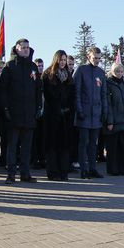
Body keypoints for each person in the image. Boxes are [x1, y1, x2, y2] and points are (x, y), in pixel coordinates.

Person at [0, 38, 42, 183]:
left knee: (26, 147)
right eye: (23, 47)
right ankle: (11, 174)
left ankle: (25, 174)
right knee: (12, 147)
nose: (26, 49)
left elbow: (37, 89)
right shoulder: (10, 66)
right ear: (17, 48)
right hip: (13, 114)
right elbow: (3, 90)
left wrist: (38, 106)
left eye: (28, 47)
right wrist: (5, 108)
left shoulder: (33, 67)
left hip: (29, 113)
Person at [73, 46, 107, 179]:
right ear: (89, 57)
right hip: (84, 113)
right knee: (84, 142)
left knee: (94, 143)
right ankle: (83, 169)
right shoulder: (81, 70)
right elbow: (76, 92)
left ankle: (93, 168)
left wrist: (105, 111)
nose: (97, 60)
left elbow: (103, 93)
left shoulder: (101, 72)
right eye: (95, 58)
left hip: (96, 114)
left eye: (99, 58)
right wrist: (79, 110)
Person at [42, 50, 75, 181]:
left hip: (65, 116)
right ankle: (53, 172)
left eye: (64, 60)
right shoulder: (48, 74)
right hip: (52, 116)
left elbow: (72, 95)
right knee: (52, 145)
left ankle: (63, 171)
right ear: (56, 60)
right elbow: (47, 96)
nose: (62, 63)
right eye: (60, 60)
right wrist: (57, 109)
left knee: (64, 145)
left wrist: (68, 109)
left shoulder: (68, 76)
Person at [103, 62, 124, 176]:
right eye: (117, 71)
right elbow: (108, 104)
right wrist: (109, 121)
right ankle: (112, 169)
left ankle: (121, 168)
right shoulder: (109, 84)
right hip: (113, 121)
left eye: (121, 71)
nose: (119, 74)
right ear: (112, 72)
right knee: (112, 147)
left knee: (121, 147)